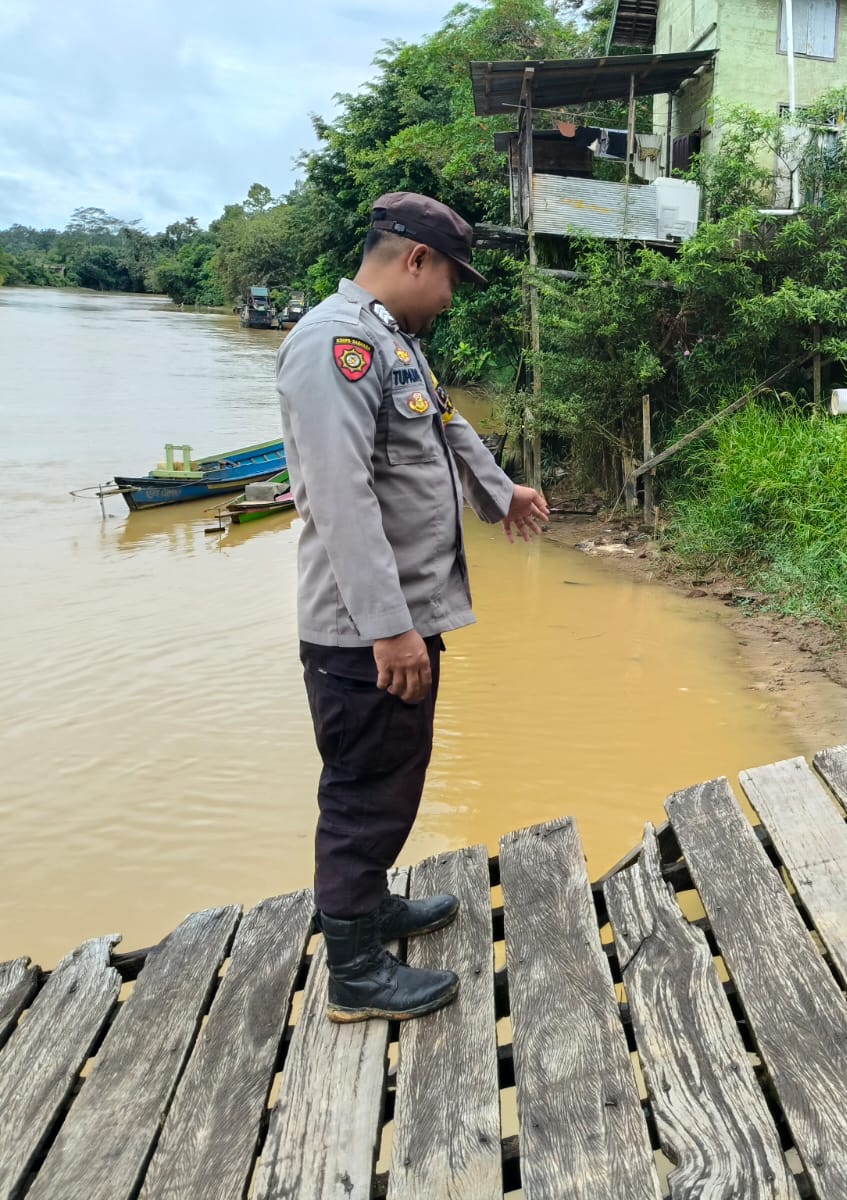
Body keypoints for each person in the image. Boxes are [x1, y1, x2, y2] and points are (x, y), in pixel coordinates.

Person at [276, 192, 549, 1023]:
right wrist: (390, 629)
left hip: (399, 618)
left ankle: (368, 910)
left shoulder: (391, 342)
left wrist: (501, 492)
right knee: (364, 790)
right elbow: (341, 497)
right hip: (365, 628)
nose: (451, 299)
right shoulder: (334, 346)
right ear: (415, 259)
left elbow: (448, 426)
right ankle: (355, 975)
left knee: (394, 774)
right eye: (451, 280)